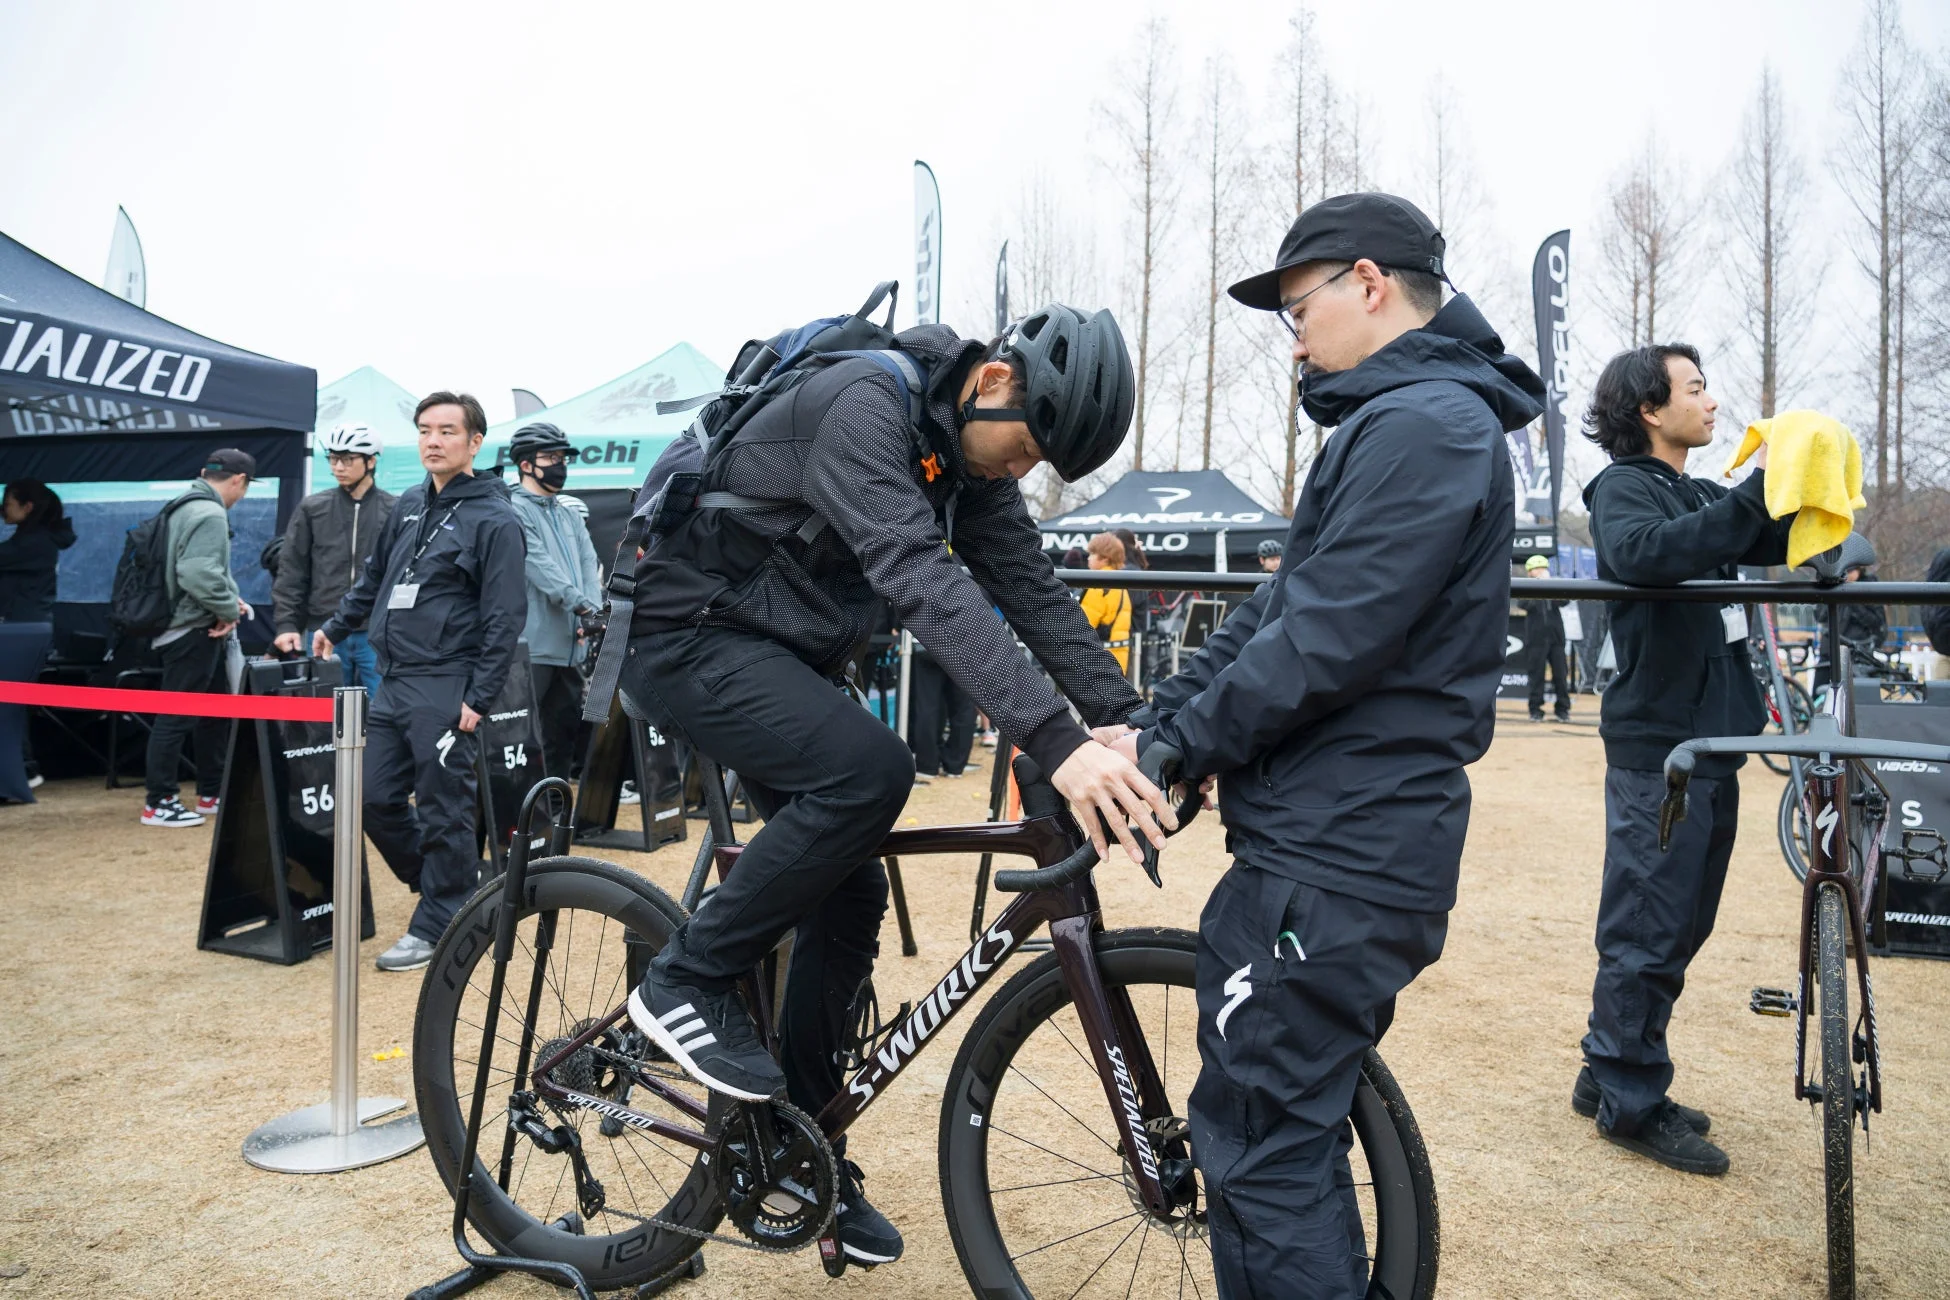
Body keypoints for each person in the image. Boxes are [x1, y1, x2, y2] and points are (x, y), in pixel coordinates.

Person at [618, 303, 1171, 1268]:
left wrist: (1125, 717)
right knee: (871, 772)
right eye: (1028, 448)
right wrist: (1052, 736)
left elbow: (1030, 588)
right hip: (688, 635)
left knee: (852, 887)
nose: (1021, 471)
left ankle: (790, 1147)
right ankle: (687, 978)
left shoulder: (965, 453)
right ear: (994, 383)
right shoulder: (863, 405)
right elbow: (919, 578)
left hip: (777, 654)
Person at [1109, 192, 1545, 1299]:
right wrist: (1168, 726)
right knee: (1280, 1127)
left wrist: (1179, 747)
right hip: (1331, 839)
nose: (1292, 336)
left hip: (1339, 852)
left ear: (1368, 283)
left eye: (1297, 306)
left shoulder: (1426, 425)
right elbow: (1277, 613)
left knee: (1264, 1142)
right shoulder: (1399, 424)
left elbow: (1325, 634)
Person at [1576, 343, 1794, 1177]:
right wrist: (1751, 495)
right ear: (1648, 410)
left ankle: (1606, 1068)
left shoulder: (1696, 490)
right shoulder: (1624, 490)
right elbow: (1647, 554)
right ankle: (1631, 1101)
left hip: (1716, 741)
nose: (1711, 402)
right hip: (1661, 747)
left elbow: (1757, 532)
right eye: (1695, 389)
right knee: (1646, 925)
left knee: (1680, 922)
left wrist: (1809, 499)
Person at [315, 393, 526, 973]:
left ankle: (439, 921)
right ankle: (452, 886)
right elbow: (377, 577)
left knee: (443, 807)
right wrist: (336, 626)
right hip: (395, 679)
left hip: (447, 683)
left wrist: (479, 695)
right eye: (425, 430)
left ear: (474, 442)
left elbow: (505, 614)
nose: (433, 440)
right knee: (371, 796)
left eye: (448, 431)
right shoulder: (410, 503)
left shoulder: (496, 518)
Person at [143, 450, 255, 828]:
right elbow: (197, 572)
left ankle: (211, 791)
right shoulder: (209, 512)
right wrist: (226, 610)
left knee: (212, 713)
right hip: (192, 629)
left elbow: (198, 570)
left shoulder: (181, 505)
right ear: (239, 480)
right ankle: (159, 802)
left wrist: (227, 599)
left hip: (179, 624)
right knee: (176, 716)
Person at [505, 421, 602, 781]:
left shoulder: (568, 513)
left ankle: (555, 811)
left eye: (562, 457)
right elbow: (539, 566)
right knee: (526, 734)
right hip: (533, 645)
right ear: (526, 464)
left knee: (562, 734)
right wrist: (583, 607)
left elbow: (588, 564)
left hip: (571, 645)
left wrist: (591, 614)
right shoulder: (513, 509)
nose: (558, 464)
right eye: (550, 457)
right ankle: (518, 815)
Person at [271, 424, 396, 695]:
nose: (338, 466)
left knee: (380, 716)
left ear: (371, 461)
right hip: (322, 629)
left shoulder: (394, 509)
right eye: (333, 458)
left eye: (348, 459)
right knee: (325, 720)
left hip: (377, 632)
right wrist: (287, 624)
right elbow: (292, 570)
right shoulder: (312, 507)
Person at [0, 481, 75, 789]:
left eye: (8, 502)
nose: (4, 508)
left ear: (28, 507)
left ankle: (23, 769)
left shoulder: (35, 543)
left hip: (24, 631)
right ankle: (23, 769)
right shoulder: (31, 539)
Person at [1520, 554, 1571, 722]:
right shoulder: (1526, 587)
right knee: (1536, 676)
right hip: (1536, 639)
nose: (1540, 571)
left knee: (1561, 675)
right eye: (1536, 569)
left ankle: (1562, 710)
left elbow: (1564, 601)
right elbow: (1524, 605)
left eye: (1542, 568)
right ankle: (1535, 710)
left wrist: (1549, 585)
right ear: (1529, 572)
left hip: (1556, 638)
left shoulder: (1554, 584)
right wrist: (1538, 588)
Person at [1079, 532, 1133, 671]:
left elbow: (1082, 624)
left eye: (1092, 554)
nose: (1088, 558)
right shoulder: (1118, 584)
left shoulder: (1099, 585)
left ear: (1105, 558)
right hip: (1116, 659)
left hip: (1097, 662)